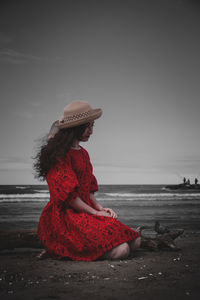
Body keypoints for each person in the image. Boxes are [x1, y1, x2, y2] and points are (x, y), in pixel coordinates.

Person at [34, 101, 141, 261]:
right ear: (75, 129)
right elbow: (70, 198)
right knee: (123, 250)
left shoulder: (83, 154)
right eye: (87, 127)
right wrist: (95, 213)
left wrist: (101, 208)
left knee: (136, 240)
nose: (91, 131)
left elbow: (88, 190)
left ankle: (78, 250)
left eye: (93, 126)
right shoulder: (59, 156)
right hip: (65, 216)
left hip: (86, 211)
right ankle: (64, 249)